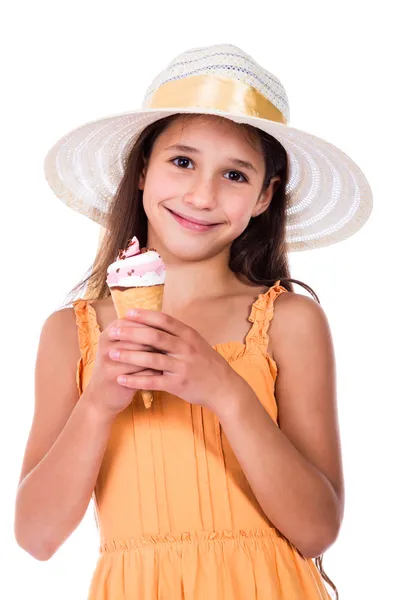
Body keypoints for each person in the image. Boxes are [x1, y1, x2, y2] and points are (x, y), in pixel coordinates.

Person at [14, 44, 373, 599]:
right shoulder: (73, 334)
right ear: (141, 171)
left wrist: (226, 390)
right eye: (182, 161)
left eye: (234, 174)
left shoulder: (287, 322)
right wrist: (100, 401)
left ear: (263, 197)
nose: (202, 195)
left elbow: (317, 529)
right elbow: (36, 537)